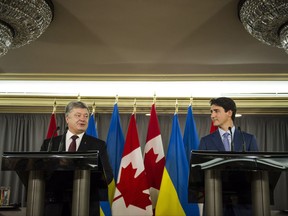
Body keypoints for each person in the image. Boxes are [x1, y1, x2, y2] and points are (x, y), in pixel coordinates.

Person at [40, 101, 113, 216]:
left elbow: (107, 174)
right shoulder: (50, 144)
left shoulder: (98, 145)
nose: (82, 119)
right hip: (55, 204)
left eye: (86, 116)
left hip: (86, 203)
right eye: (78, 115)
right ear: (67, 118)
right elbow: (41, 171)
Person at [198, 97, 259, 216]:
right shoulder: (205, 141)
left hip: (243, 205)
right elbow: (199, 173)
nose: (212, 115)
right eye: (211, 112)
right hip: (215, 203)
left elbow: (256, 171)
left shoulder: (248, 139)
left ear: (229, 113)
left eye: (216, 111)